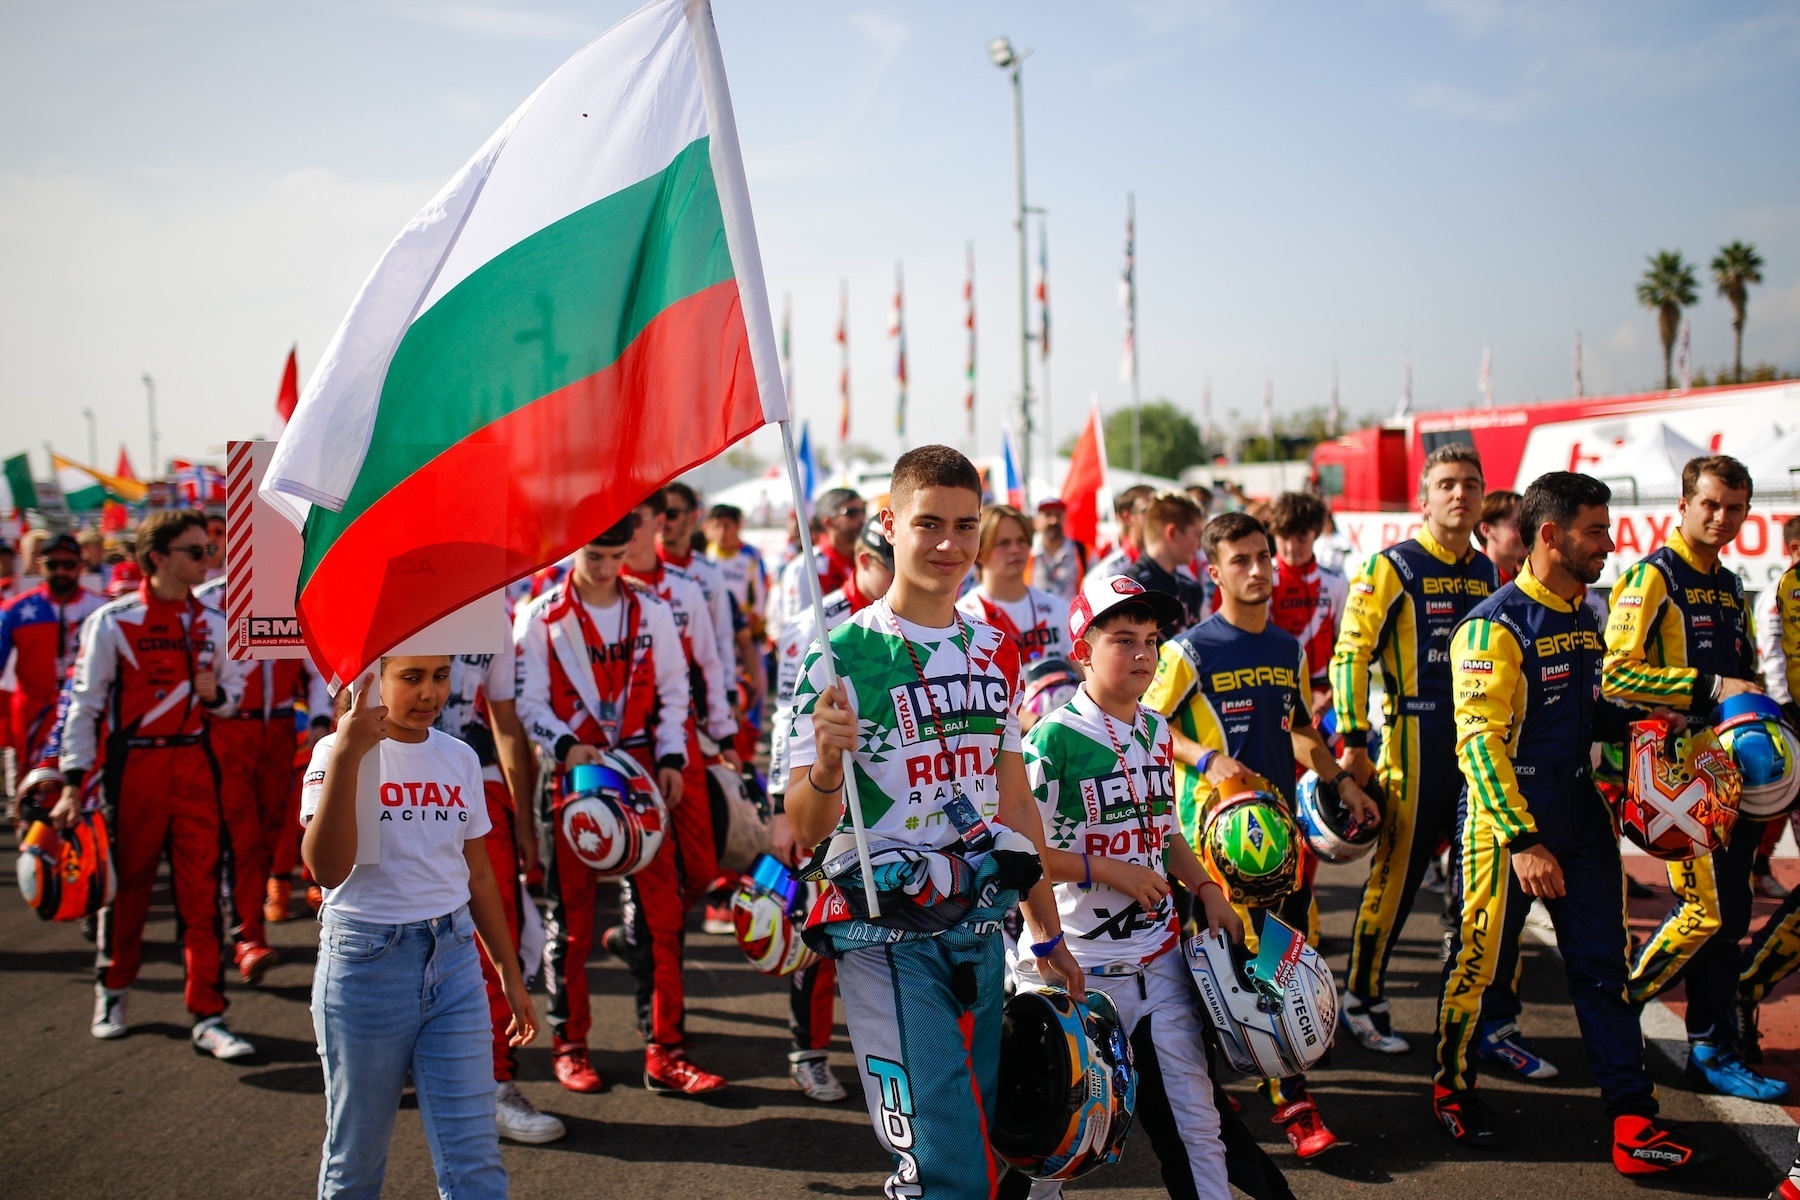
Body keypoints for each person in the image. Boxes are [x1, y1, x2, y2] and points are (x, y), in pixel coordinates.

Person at [784, 445, 1084, 1200]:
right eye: (928, 524)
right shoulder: (837, 653)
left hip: (979, 924)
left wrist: (1046, 935)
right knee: (942, 1160)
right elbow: (806, 823)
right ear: (888, 524)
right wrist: (825, 764)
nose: (950, 545)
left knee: (981, 1137)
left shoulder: (994, 649)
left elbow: (1014, 806)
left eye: (965, 525)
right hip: (884, 931)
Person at [1432, 472, 1710, 1178]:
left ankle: (1630, 1114)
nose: (1610, 544)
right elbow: (1478, 744)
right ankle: (1453, 1089)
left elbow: (1591, 712)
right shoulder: (1493, 626)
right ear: (1550, 535)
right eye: (1596, 530)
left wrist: (1653, 720)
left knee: (1602, 965)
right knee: (1477, 960)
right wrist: (1522, 839)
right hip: (1504, 820)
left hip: (1581, 809)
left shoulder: (1586, 611)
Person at [1024, 573, 1268, 1200]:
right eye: (1123, 640)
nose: (1142, 655)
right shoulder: (1051, 740)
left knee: (1199, 1127)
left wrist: (1208, 888)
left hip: (1160, 967)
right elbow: (1017, 853)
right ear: (1083, 647)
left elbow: (1167, 834)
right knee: (1051, 1148)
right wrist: (1105, 871)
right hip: (1076, 971)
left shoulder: (1156, 731)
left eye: (1152, 641)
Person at [1143, 511, 1378, 1159]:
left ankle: (1262, 1085)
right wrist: (1204, 759)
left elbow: (1300, 729)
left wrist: (1341, 780)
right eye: (1240, 561)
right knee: (1236, 973)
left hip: (1283, 841)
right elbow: (1144, 724)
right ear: (1214, 572)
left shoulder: (1289, 649)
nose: (1256, 570)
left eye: (1262, 558)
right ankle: (1292, 1105)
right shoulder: (1188, 651)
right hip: (1214, 849)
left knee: (1272, 966)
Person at [301, 656, 538, 1200]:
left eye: (440, 676)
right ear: (370, 681)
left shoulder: (459, 756)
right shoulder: (332, 752)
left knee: (474, 1156)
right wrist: (349, 752)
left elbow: (477, 873)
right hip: (364, 966)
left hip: (454, 963)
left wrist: (508, 972)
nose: (430, 693)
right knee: (355, 1156)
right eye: (411, 677)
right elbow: (325, 868)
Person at [1329, 446, 1530, 1071]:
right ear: (1424, 497)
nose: (1460, 494)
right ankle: (1361, 997)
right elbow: (1349, 655)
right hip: (1411, 745)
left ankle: (1476, 1015)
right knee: (1395, 884)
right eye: (1446, 483)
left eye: (1471, 483)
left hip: (1476, 745)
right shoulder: (1390, 566)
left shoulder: (1485, 571)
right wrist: (1355, 741)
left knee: (1484, 889)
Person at [514, 516, 726, 1094]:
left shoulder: (652, 608)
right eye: (594, 558)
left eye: (614, 557)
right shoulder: (540, 615)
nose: (606, 569)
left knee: (663, 919)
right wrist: (564, 745)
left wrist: (671, 758)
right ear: (574, 550)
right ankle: (571, 1045)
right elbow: (528, 702)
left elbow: (676, 690)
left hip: (640, 778)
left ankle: (665, 1050)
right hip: (575, 775)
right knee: (574, 922)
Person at [1609, 455, 1787, 1101]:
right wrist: (1710, 686)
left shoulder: (1729, 584)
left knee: (1732, 910)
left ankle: (1711, 1045)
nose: (1722, 518)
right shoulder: (1651, 578)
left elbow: (1742, 674)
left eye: (1735, 508)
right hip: (1675, 774)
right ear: (1683, 504)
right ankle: (1616, 1007)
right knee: (1706, 911)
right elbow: (1615, 673)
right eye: (1710, 504)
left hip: (1726, 767)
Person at [54, 510, 255, 1058]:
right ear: (157, 558)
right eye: (196, 552)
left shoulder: (214, 622)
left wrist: (213, 694)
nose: (207, 560)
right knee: (128, 889)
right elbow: (84, 705)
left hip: (193, 765)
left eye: (208, 551)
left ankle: (209, 1014)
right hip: (133, 771)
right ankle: (113, 989)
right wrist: (73, 781)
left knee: (201, 897)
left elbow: (234, 698)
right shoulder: (113, 621)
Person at [766, 516, 895, 1103]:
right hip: (821, 801)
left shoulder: (925, 623)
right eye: (883, 563)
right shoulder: (813, 627)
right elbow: (782, 724)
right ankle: (808, 1051)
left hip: (887, 811)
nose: (896, 576)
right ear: (862, 561)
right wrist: (776, 806)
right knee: (816, 931)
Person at [432, 612, 562, 1144]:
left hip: (477, 782)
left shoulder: (496, 604)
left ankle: (493, 1084)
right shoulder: (387, 571)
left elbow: (505, 721)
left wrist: (526, 817)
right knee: (396, 933)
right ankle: (420, 1066)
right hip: (395, 781)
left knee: (494, 937)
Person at [195, 574, 331, 985]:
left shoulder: (298, 589)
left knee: (270, 834)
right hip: (226, 729)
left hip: (282, 731)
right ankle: (244, 935)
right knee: (236, 839)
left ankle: (245, 926)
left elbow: (318, 661)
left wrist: (322, 716)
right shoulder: (207, 600)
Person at [0, 533, 107, 769]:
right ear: (40, 564)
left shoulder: (102, 609)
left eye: (68, 564)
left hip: (85, 714)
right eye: (52, 564)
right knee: (32, 794)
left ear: (81, 565)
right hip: (32, 718)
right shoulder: (15, 610)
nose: (60, 571)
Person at [1264, 493, 1347, 721]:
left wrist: (1336, 690)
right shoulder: (1263, 579)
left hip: (1327, 692)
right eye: (1284, 537)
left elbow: (1345, 643)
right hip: (1277, 691)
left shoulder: (1336, 582)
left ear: (1316, 535)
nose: (1291, 548)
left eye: (1301, 539)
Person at [960, 504, 1072, 666]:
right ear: (979, 552)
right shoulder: (965, 618)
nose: (1015, 549)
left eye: (1022, 541)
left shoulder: (1058, 608)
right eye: (1003, 543)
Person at [767, 488, 864, 645]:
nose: (861, 519)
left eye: (863, 510)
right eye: (851, 513)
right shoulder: (806, 567)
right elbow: (798, 629)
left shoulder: (869, 560)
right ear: (828, 522)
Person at [1122, 492, 1207, 637]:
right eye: (1197, 535)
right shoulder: (1129, 590)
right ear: (1173, 533)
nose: (1199, 546)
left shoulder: (1191, 588)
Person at [1084, 485, 1155, 584]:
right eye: (1147, 512)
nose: (1155, 518)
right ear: (1127, 517)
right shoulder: (1107, 574)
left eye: (1158, 512)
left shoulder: (1172, 565)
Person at [1024, 498, 1089, 601]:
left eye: (1058, 515)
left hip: (1071, 616)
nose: (1054, 521)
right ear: (1036, 521)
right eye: (1048, 515)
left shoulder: (1082, 551)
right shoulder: (1026, 552)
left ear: (1065, 518)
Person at [1474, 491, 1525, 583]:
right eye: (1516, 525)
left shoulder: (1527, 579)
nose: (1526, 532)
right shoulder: (1473, 580)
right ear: (1486, 530)